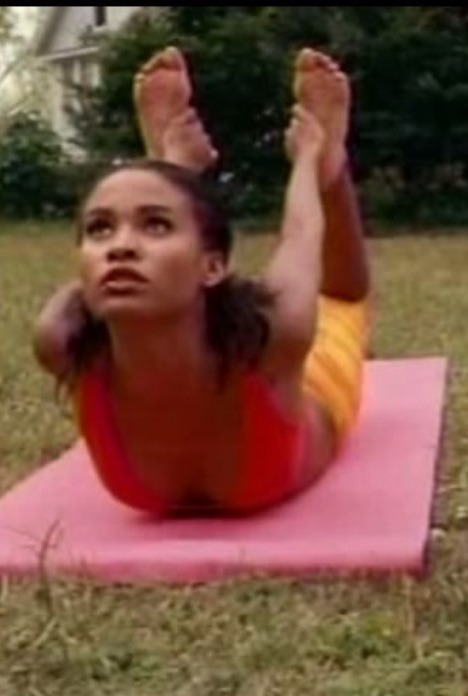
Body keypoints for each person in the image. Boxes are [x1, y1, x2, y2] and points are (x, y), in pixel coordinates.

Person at [33, 47, 371, 516]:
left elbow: (300, 235)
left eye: (154, 225)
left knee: (342, 297)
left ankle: (328, 163)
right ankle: (170, 173)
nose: (119, 247)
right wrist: (167, 185)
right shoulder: (64, 341)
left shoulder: (275, 336)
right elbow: (100, 274)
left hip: (300, 390)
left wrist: (309, 160)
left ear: (214, 267)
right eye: (99, 228)